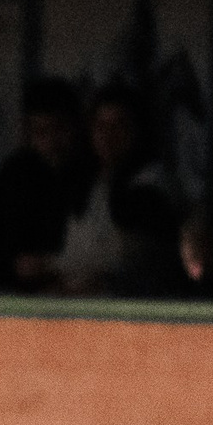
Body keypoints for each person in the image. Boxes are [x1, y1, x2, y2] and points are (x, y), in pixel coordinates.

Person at [0, 77, 89, 294]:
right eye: (41, 132)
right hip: (17, 299)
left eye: (59, 129)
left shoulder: (92, 172)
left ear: (76, 127)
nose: (52, 142)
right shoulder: (16, 175)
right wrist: (14, 267)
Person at [55, 84, 181, 297]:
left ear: (137, 130)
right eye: (101, 126)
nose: (108, 136)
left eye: (119, 126)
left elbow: (137, 259)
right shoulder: (83, 181)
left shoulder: (152, 185)